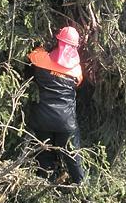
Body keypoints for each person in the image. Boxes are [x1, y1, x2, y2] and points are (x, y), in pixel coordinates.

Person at [28, 26, 84, 184]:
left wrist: (43, 46)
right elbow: (78, 83)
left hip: (42, 119)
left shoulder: (41, 59)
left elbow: (32, 54)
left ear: (58, 41)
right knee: (73, 156)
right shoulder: (76, 70)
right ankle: (80, 187)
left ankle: (44, 186)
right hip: (66, 122)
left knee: (44, 156)